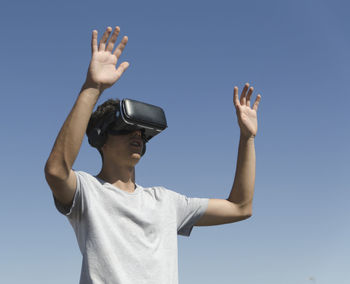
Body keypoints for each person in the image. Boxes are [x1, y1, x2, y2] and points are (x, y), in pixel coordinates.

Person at [44, 26, 261, 284]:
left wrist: (247, 138)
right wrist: (92, 88)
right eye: (126, 129)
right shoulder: (88, 193)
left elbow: (240, 207)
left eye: (142, 132)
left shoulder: (166, 202)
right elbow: (57, 171)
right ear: (101, 138)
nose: (137, 136)